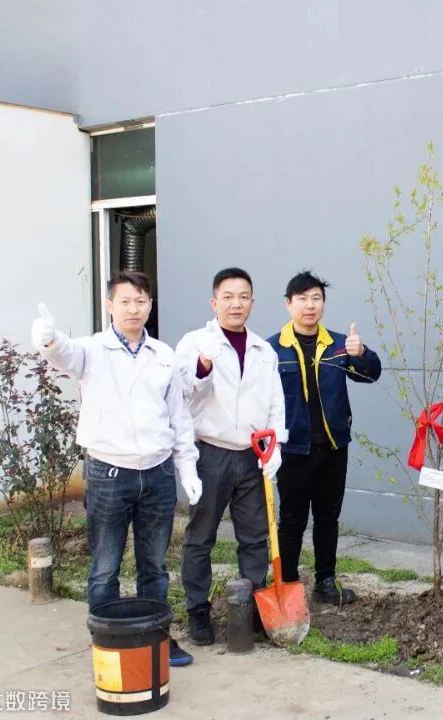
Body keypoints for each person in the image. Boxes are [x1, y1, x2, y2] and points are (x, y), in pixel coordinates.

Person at [31, 271, 202, 667]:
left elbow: (179, 417)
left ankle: (156, 639)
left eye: (140, 301)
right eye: (125, 301)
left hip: (157, 473)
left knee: (154, 566)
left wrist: (187, 468)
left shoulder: (163, 354)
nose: (133, 309)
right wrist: (49, 341)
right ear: (110, 306)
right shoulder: (93, 350)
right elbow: (65, 355)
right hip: (109, 473)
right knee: (105, 566)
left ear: (150, 306)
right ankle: (106, 643)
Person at [176, 268, 286, 646]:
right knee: (201, 536)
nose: (236, 304)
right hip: (210, 453)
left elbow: (275, 403)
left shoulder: (263, 350)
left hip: (252, 455)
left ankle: (250, 608)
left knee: (255, 537)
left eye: (243, 297)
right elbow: (184, 391)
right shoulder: (195, 342)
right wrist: (203, 364)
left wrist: (276, 448)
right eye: (228, 296)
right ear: (214, 302)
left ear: (252, 302)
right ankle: (198, 610)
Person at [268, 270, 382, 604]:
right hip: (293, 450)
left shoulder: (339, 344)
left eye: (316, 298)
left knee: (327, 518)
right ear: (289, 304)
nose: (310, 305)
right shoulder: (271, 349)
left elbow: (371, 374)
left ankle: (325, 582)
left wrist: (361, 353)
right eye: (302, 299)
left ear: (323, 304)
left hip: (333, 447)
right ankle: (288, 585)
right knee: (292, 520)